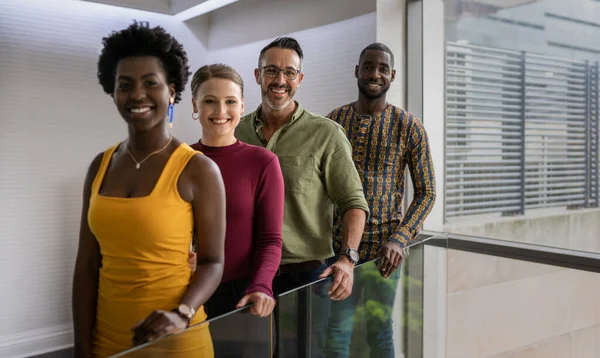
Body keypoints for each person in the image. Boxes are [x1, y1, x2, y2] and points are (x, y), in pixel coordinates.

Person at [71, 22, 226, 358]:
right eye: (125, 85)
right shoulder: (100, 165)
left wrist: (182, 314)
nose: (137, 94)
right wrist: (82, 348)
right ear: (112, 92)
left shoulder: (198, 169)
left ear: (172, 90)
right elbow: (86, 266)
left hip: (177, 342)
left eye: (150, 83)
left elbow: (213, 262)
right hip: (108, 343)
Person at [235, 37, 370, 357]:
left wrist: (348, 259)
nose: (280, 80)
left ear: (300, 79)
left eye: (289, 73)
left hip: (305, 277)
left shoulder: (326, 134)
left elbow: (354, 202)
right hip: (245, 274)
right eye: (271, 71)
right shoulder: (235, 132)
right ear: (257, 75)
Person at [325, 43, 436, 358]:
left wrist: (400, 239)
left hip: (383, 257)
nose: (375, 74)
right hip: (337, 250)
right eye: (368, 66)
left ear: (392, 75)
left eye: (382, 68)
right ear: (357, 71)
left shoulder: (409, 127)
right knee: (335, 336)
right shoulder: (334, 122)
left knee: (379, 332)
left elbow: (427, 192)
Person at [188, 63, 284, 319]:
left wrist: (262, 285)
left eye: (230, 101)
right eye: (210, 101)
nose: (221, 111)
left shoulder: (262, 162)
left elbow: (271, 240)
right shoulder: (178, 161)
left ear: (242, 106)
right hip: (185, 292)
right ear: (195, 106)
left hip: (242, 297)